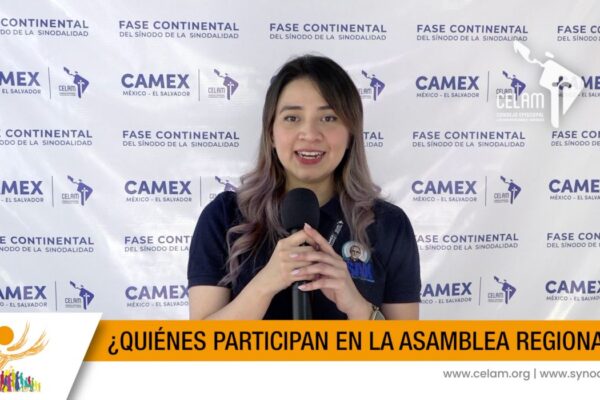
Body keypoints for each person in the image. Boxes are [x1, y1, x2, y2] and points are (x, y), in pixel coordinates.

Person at [188, 55, 421, 320]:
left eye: (329, 118)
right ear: (271, 133)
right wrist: (264, 285)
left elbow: (406, 345)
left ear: (351, 134)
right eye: (292, 117)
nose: (310, 134)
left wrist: (358, 307)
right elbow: (199, 342)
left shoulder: (389, 224)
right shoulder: (224, 217)